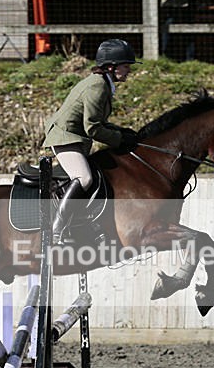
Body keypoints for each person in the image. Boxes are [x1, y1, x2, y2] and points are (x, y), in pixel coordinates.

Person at [42, 38, 140, 244]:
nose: (129, 70)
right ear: (111, 67)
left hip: (75, 137)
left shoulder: (103, 83)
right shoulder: (98, 86)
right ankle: (57, 229)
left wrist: (123, 131)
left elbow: (99, 122)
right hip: (65, 137)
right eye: (126, 66)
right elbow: (93, 127)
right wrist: (120, 140)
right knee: (84, 178)